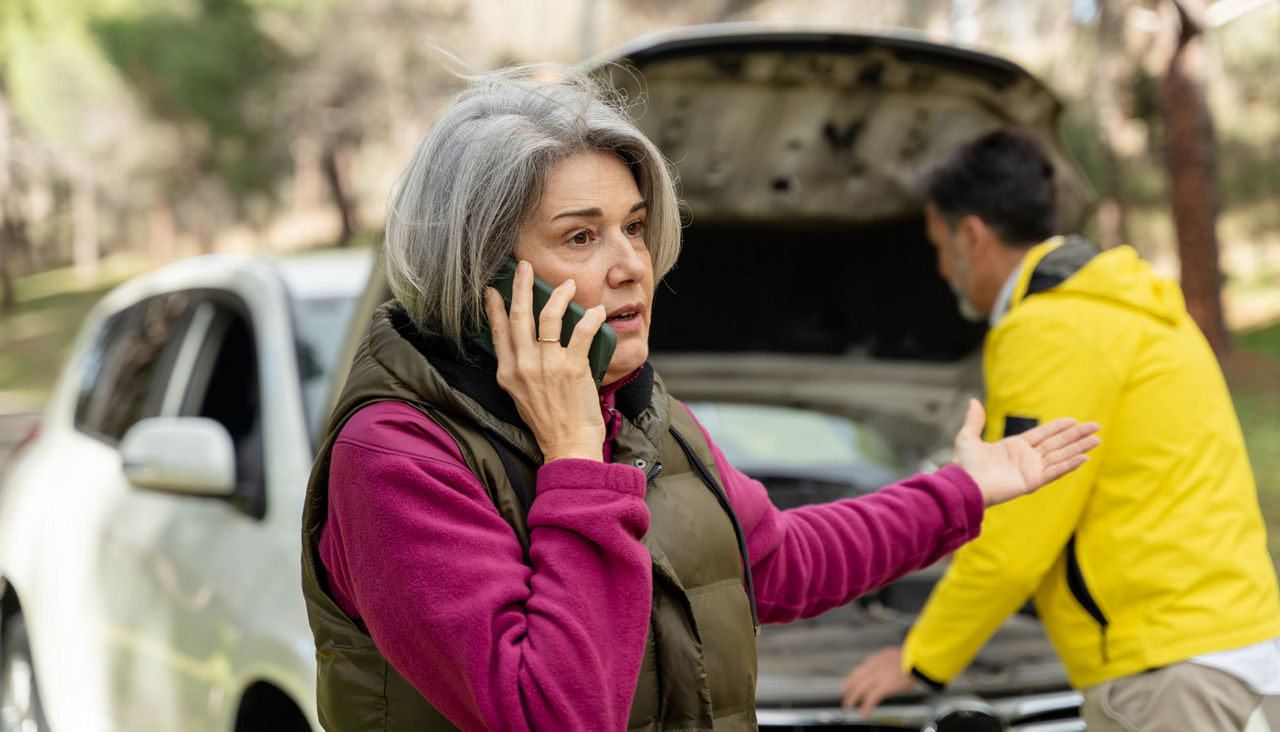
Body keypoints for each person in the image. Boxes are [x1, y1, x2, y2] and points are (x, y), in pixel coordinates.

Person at [298, 68, 1100, 732]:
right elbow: (553, 713)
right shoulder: (396, 461)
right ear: (482, 275)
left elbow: (775, 561)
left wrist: (958, 492)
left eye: (636, 227)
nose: (631, 265)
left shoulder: (639, 413)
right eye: (582, 236)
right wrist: (574, 463)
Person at [840, 128, 1280, 731]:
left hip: (1169, 672)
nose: (941, 268)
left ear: (972, 236)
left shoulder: (1049, 329)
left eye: (939, 245)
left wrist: (919, 660)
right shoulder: (1121, 305)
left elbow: (1015, 533)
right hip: (1223, 643)